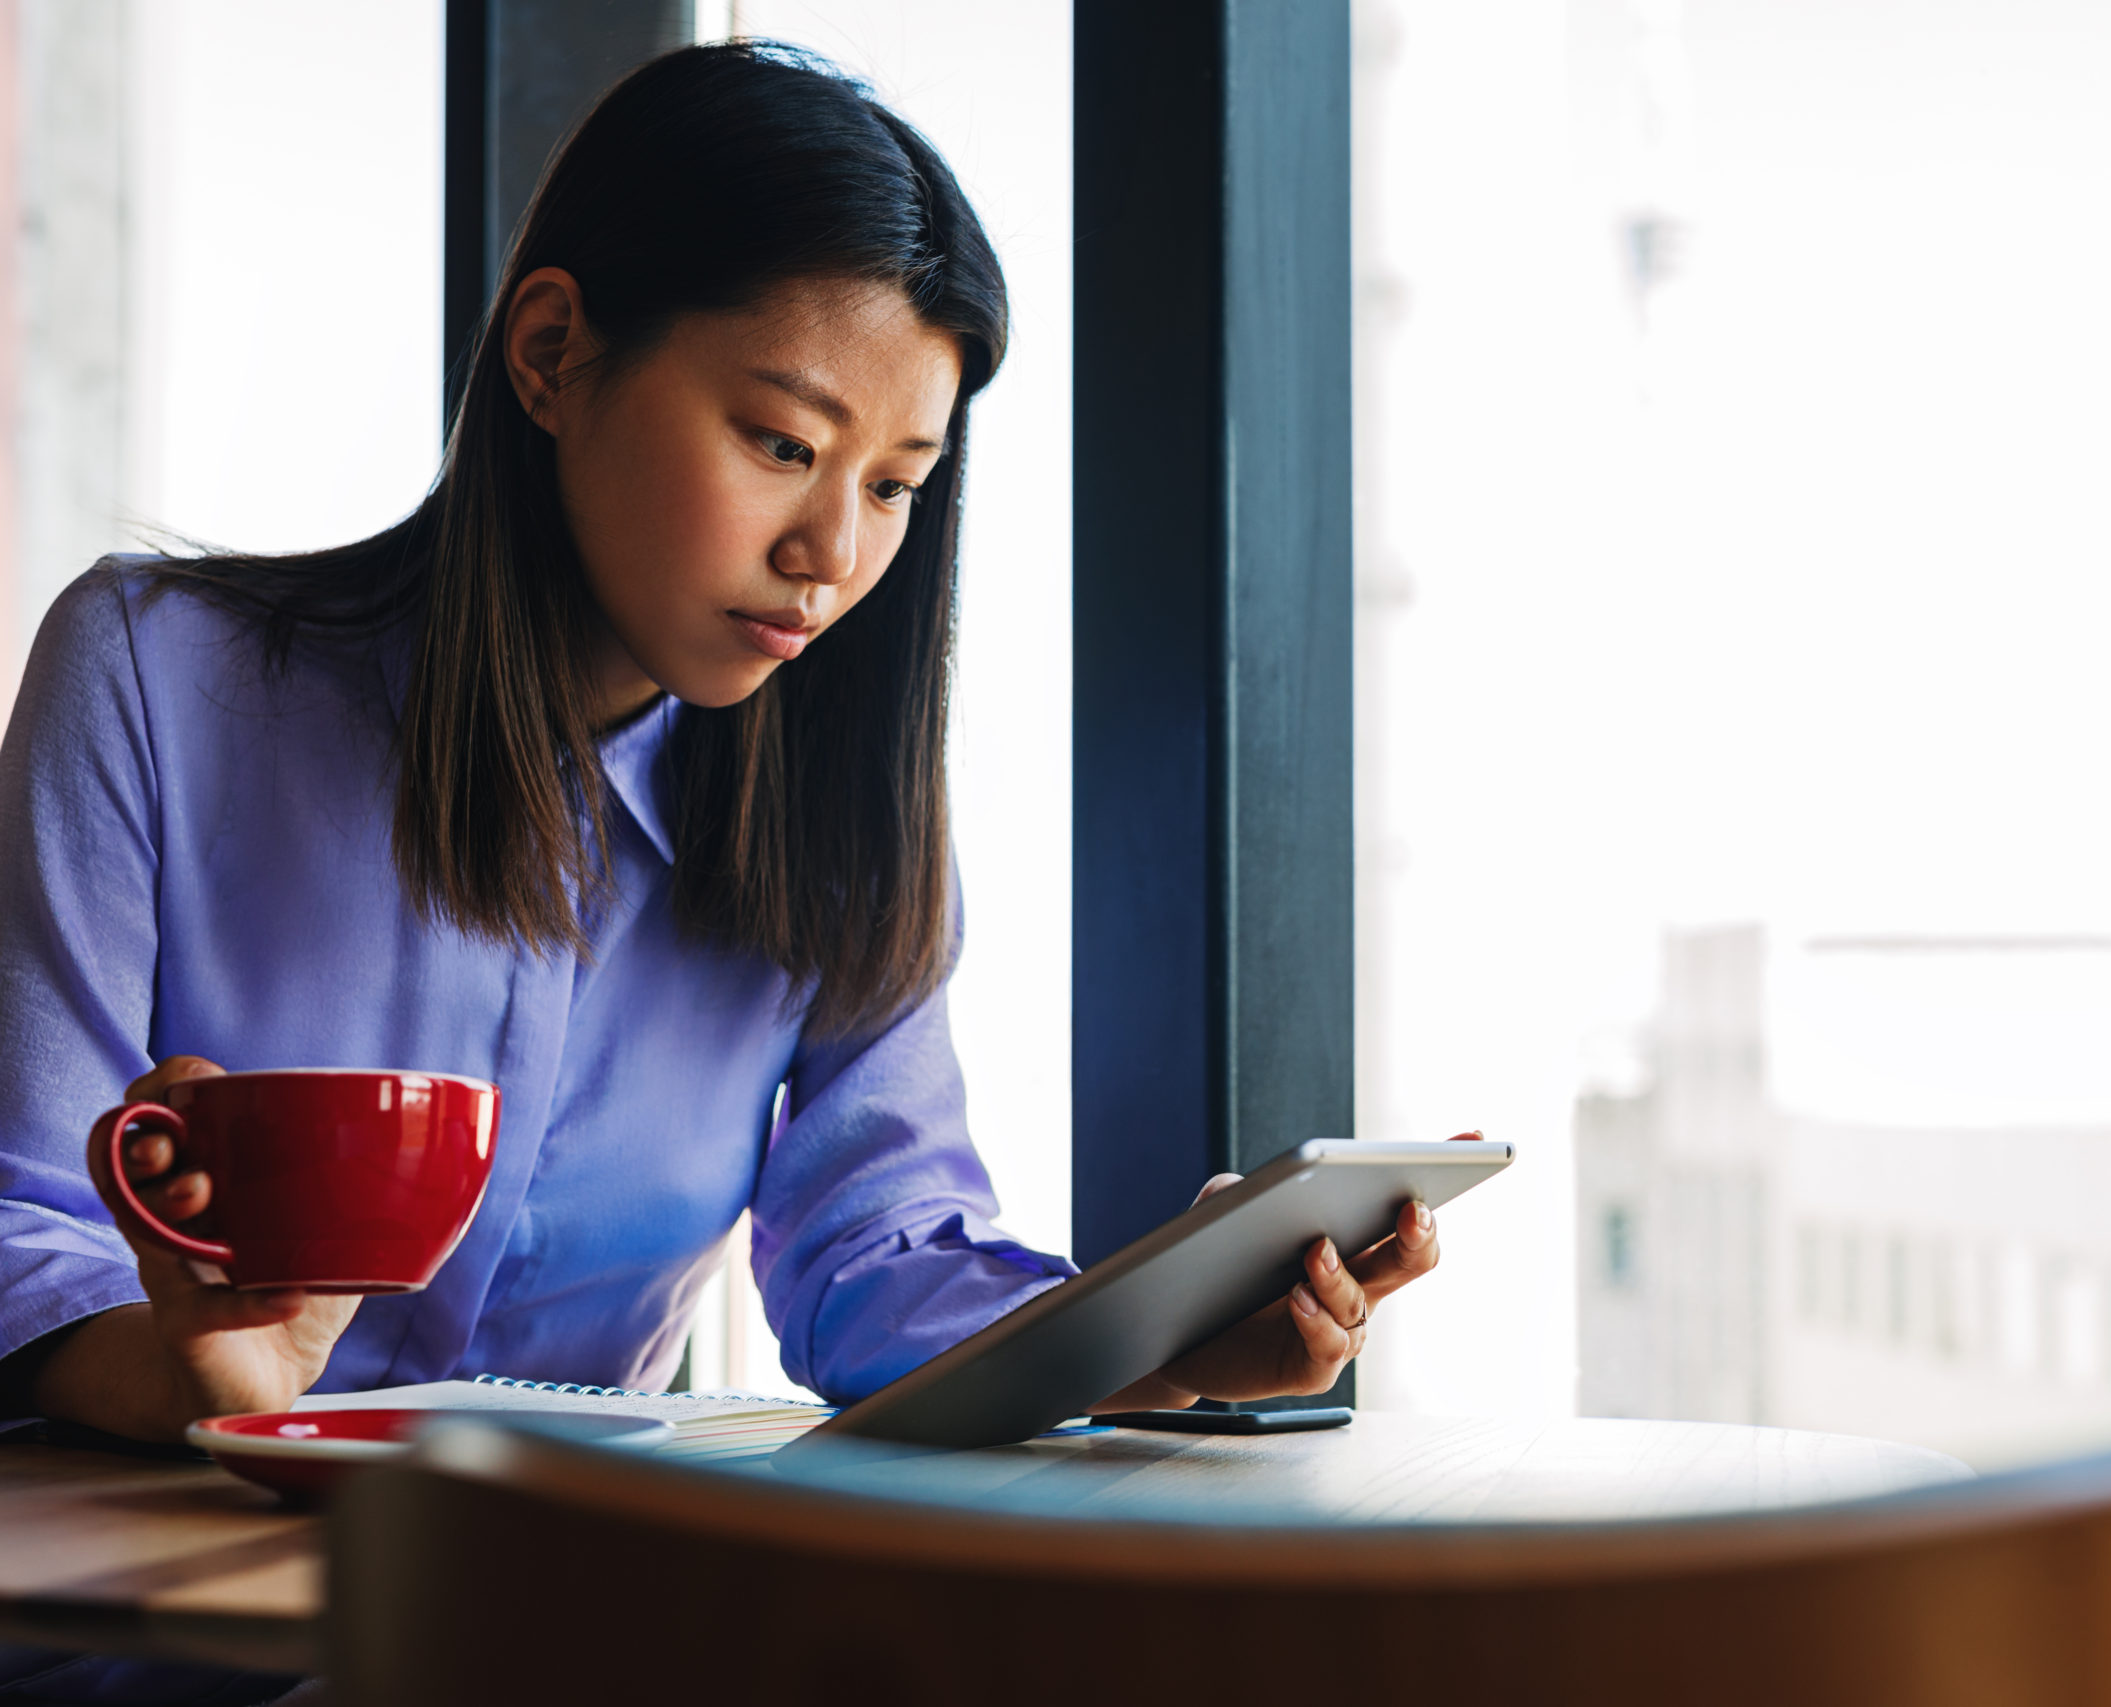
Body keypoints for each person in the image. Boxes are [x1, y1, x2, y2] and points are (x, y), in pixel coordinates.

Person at [0, 42, 1442, 1455]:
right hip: (141, 1606)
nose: (833, 553)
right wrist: (196, 1380)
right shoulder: (154, 684)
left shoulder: (837, 821)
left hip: (556, 1616)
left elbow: (878, 1259)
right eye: (780, 444)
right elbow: (19, 1224)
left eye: (895, 485)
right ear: (553, 353)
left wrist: (1155, 1343)